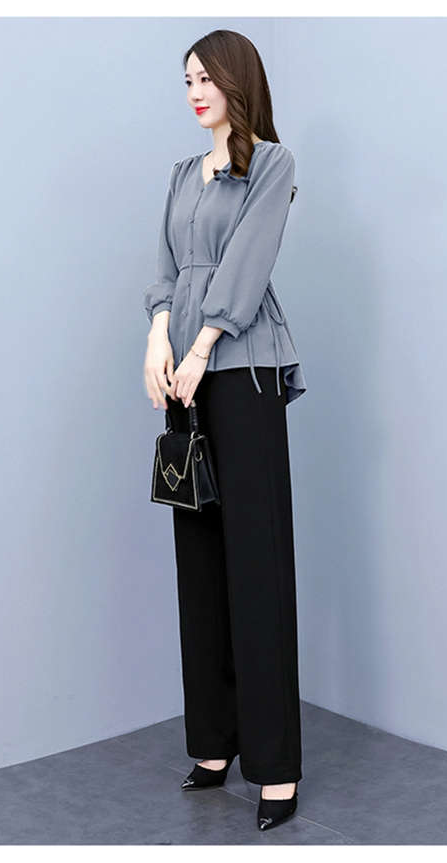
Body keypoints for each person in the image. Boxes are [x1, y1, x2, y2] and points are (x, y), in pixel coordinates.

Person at [143, 30, 307, 832]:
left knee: (256, 563)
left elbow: (248, 261)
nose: (195, 92)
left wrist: (204, 342)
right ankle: (213, 742)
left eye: (206, 77)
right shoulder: (181, 174)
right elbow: (165, 269)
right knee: (198, 560)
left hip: (240, 365)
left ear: (237, 81)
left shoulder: (270, 164)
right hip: (180, 373)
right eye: (186, 81)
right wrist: (157, 339)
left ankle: (276, 765)